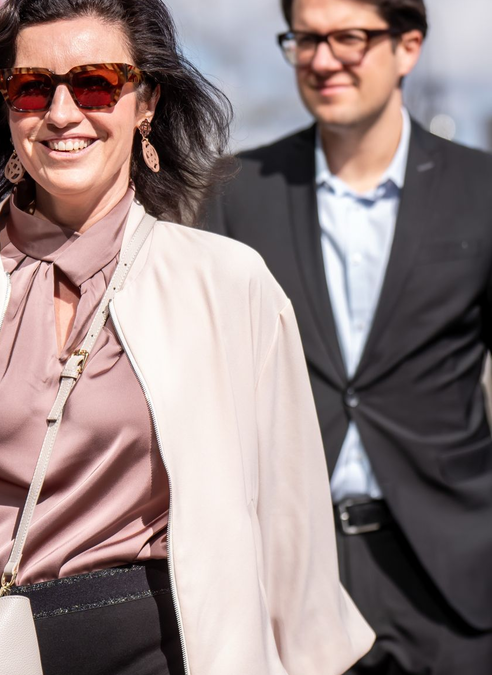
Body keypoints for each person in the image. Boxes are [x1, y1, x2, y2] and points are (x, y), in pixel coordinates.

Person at [0, 0, 374, 673]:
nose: (61, 113)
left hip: (169, 651)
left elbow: (294, 538)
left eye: (95, 84)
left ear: (146, 103)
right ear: (7, 108)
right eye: (31, 88)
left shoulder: (229, 284)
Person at [201, 0, 492, 671]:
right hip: (288, 572)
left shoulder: (479, 191)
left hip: (451, 577)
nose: (323, 58)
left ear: (408, 46)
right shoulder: (234, 193)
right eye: (305, 38)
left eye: (349, 37)